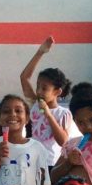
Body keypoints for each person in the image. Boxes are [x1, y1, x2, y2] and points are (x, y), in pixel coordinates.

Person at [19, 36, 73, 166]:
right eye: (38, 86)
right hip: (29, 160)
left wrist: (48, 114)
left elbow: (63, 141)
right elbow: (24, 78)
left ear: (57, 92)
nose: (38, 91)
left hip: (49, 164)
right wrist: (40, 52)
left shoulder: (63, 114)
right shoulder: (35, 104)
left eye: (44, 88)